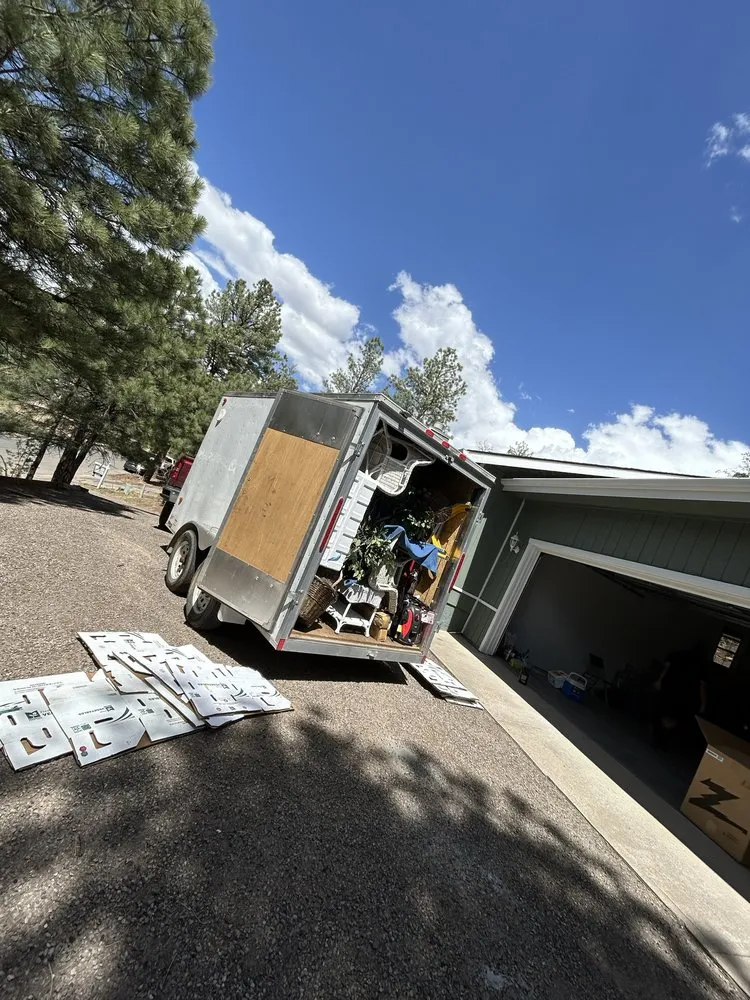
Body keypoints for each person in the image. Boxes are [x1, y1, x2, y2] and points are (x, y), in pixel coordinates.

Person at [650, 644, 708, 749]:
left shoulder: (677, 655)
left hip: (670, 689)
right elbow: (702, 686)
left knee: (664, 714)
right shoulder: (700, 665)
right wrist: (703, 704)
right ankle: (663, 739)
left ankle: (659, 737)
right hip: (683, 694)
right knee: (675, 718)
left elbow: (666, 668)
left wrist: (659, 681)